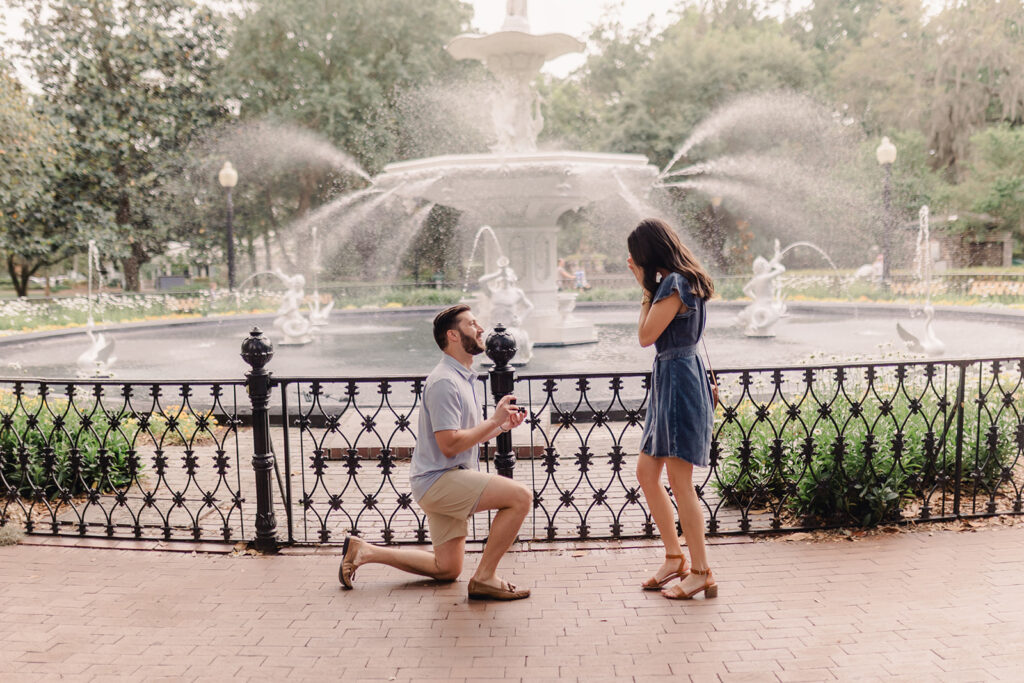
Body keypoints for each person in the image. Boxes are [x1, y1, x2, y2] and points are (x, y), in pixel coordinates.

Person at [339, 304, 532, 600]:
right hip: (440, 481)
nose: (481, 328)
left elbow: (462, 437)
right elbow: (450, 444)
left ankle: (364, 551)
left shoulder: (462, 377)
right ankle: (484, 577)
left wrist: (501, 427)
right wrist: (493, 420)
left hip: (442, 479)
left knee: (447, 568)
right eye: (472, 324)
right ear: (453, 335)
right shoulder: (445, 381)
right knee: (520, 497)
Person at [626, 218, 718, 600]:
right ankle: (673, 557)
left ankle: (701, 571)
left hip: (679, 382)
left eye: (634, 258)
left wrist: (643, 288)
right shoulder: (680, 281)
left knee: (681, 482)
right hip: (674, 378)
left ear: (648, 255)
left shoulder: (674, 284)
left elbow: (646, 336)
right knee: (647, 472)